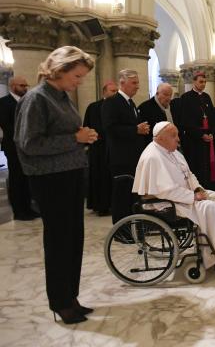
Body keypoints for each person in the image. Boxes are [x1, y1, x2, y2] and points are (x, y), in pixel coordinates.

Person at [14, 46, 98, 324]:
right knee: (60, 241)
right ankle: (60, 302)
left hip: (70, 174)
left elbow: (68, 133)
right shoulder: (36, 98)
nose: (79, 82)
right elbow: (29, 144)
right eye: (76, 76)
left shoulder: (61, 96)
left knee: (74, 239)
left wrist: (82, 137)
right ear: (59, 71)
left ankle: (70, 296)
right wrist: (76, 139)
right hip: (50, 180)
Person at [132, 121, 215, 275]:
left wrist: (198, 188)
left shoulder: (172, 151)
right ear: (160, 139)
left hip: (182, 195)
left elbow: (189, 175)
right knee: (208, 207)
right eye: (174, 136)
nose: (178, 139)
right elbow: (164, 191)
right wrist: (193, 196)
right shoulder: (153, 157)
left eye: (177, 135)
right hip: (164, 202)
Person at [101, 69, 149, 224]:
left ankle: (132, 224)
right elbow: (110, 128)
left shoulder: (130, 103)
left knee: (131, 194)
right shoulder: (112, 102)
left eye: (137, 82)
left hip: (133, 156)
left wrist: (140, 129)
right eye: (134, 83)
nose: (137, 86)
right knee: (121, 194)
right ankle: (121, 228)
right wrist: (136, 129)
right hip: (120, 157)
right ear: (122, 82)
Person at [0, 76, 37, 221]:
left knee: (27, 177)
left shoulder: (28, 101)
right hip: (14, 146)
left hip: (29, 146)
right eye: (22, 85)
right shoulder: (4, 103)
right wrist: (22, 137)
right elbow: (7, 125)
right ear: (13, 86)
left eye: (26, 85)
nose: (25, 88)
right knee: (17, 178)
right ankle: (19, 210)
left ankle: (28, 208)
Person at [176, 70, 215, 189]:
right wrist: (200, 135)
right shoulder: (186, 98)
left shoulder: (207, 97)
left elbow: (212, 118)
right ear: (194, 82)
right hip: (194, 139)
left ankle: (207, 187)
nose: (203, 84)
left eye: (204, 82)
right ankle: (196, 188)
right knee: (196, 165)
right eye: (200, 82)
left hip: (207, 137)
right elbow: (185, 121)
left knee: (207, 165)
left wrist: (211, 134)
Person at [82, 81, 118, 215]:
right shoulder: (93, 107)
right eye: (112, 91)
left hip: (114, 147)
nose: (115, 93)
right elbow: (87, 126)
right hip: (98, 148)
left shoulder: (118, 106)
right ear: (104, 92)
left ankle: (113, 204)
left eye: (116, 91)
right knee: (100, 176)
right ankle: (101, 205)